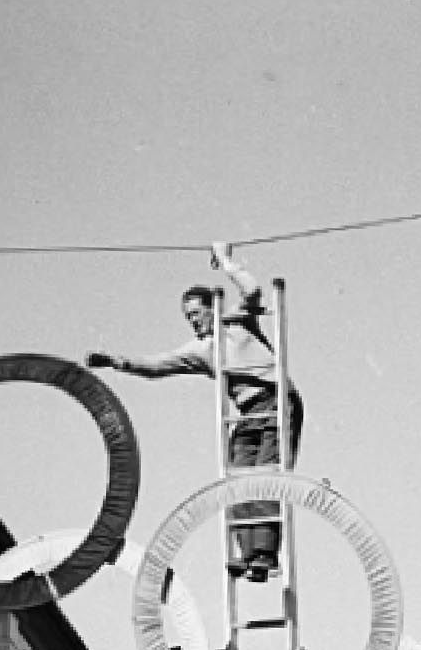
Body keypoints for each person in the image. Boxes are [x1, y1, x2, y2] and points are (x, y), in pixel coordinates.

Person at [86, 243, 304, 580]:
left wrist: (226, 262)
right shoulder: (200, 350)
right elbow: (157, 365)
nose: (192, 321)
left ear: (211, 308)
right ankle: (248, 555)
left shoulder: (238, 322)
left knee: (265, 475)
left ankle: (265, 553)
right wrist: (117, 361)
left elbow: (253, 290)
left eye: (196, 313)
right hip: (246, 412)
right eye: (187, 317)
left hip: (277, 400)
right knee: (237, 478)